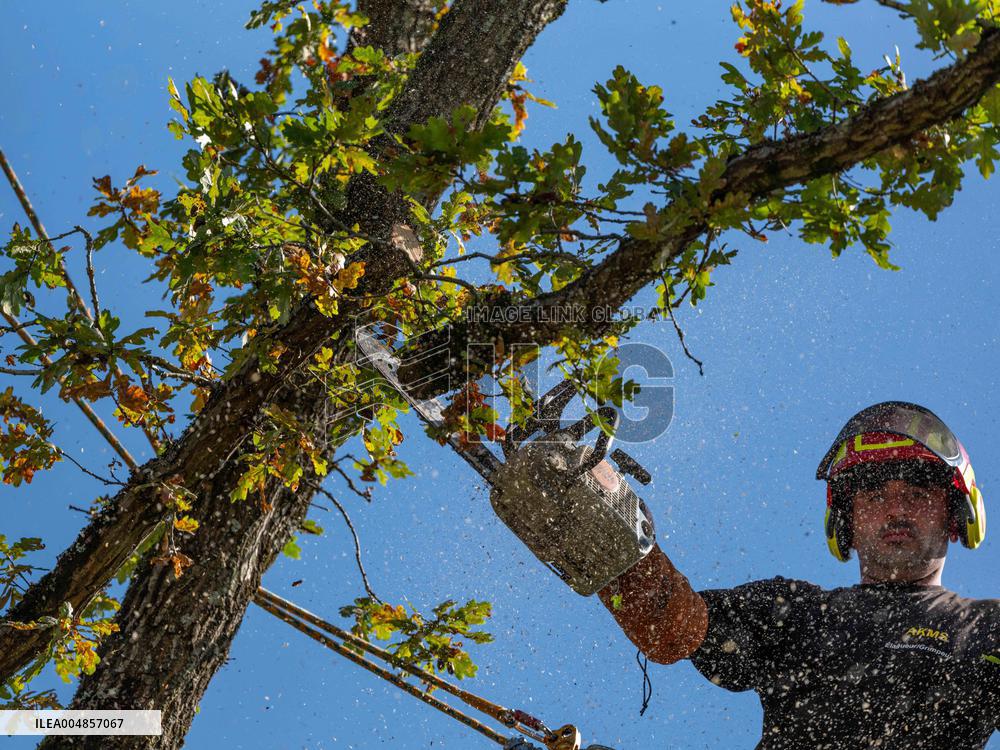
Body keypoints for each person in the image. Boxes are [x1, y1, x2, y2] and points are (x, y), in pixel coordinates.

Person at [598, 401, 998, 749]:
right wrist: (617, 542)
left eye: (916, 494)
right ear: (846, 524)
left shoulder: (987, 628)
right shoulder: (795, 612)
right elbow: (673, 626)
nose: (895, 510)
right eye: (874, 496)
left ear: (956, 517)